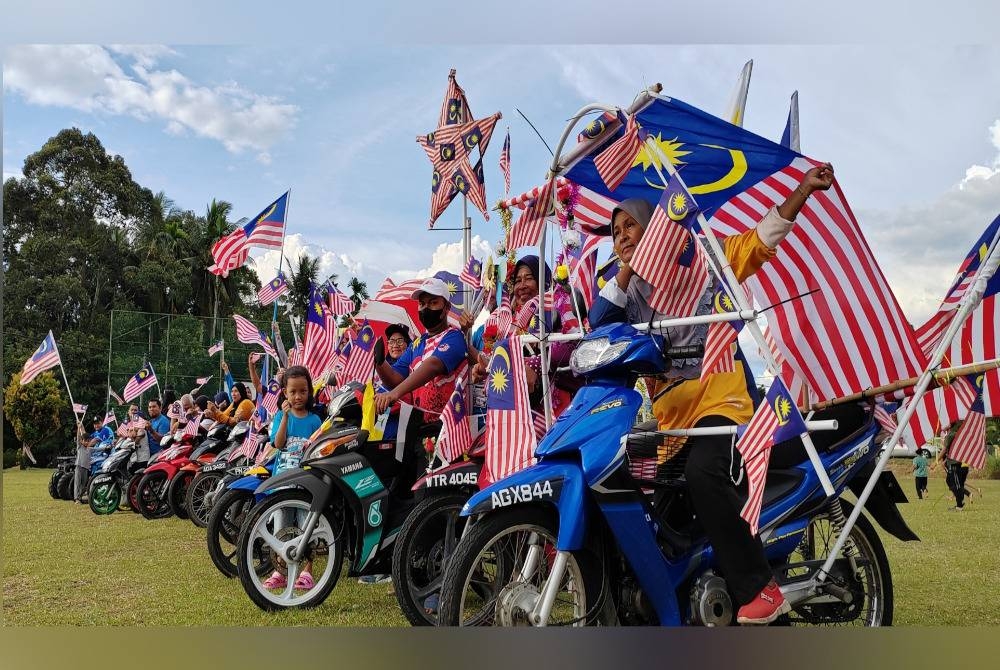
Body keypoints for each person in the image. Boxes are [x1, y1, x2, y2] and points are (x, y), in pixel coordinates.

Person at [589, 163, 835, 625]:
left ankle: (758, 587)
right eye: (615, 230)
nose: (622, 235)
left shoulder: (705, 260)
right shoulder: (628, 291)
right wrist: (626, 268)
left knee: (704, 475)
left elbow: (760, 240)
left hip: (722, 401)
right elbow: (597, 323)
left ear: (657, 227)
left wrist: (802, 190)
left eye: (631, 226)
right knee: (639, 500)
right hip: (669, 421)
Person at [261, 365, 323, 592]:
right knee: (283, 527)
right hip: (283, 483)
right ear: (285, 394)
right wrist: (285, 416)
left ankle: (307, 571)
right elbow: (278, 444)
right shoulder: (280, 416)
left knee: (307, 527)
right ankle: (281, 571)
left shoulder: (315, 420)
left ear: (309, 392)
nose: (298, 396)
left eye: (303, 391)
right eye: (293, 392)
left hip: (306, 483)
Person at [75, 416, 113, 504]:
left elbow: (94, 441)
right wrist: (81, 426)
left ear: (102, 422)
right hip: (90, 460)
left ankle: (92, 492)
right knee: (80, 481)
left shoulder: (105, 429)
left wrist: (86, 443)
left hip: (105, 456)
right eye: (94, 424)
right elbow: (85, 435)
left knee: (94, 472)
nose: (96, 426)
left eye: (98, 423)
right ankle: (80, 496)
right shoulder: (95, 432)